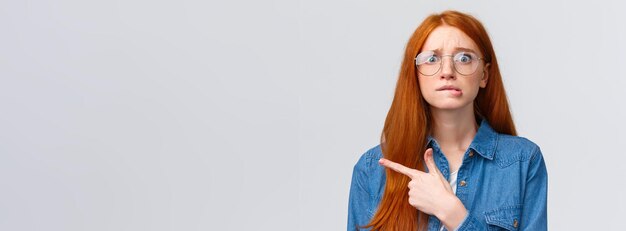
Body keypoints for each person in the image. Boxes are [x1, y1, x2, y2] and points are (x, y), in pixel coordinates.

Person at [347, 10, 548, 231]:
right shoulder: (372, 169)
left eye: (464, 58)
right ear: (415, 74)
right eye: (432, 59)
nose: (447, 71)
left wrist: (452, 213)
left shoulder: (521, 161)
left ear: (484, 75)